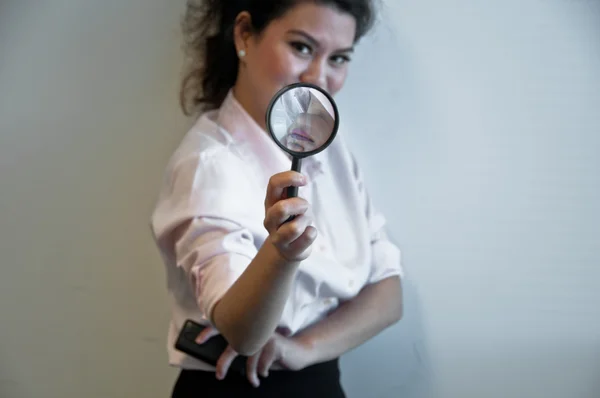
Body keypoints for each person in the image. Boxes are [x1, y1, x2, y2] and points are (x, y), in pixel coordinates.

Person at [150, 0, 404, 397]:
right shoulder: (209, 165)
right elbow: (243, 332)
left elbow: (389, 294)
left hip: (318, 379)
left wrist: (303, 347)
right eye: (302, 47)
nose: (318, 77)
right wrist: (281, 254)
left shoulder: (332, 149)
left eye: (338, 58)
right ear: (244, 35)